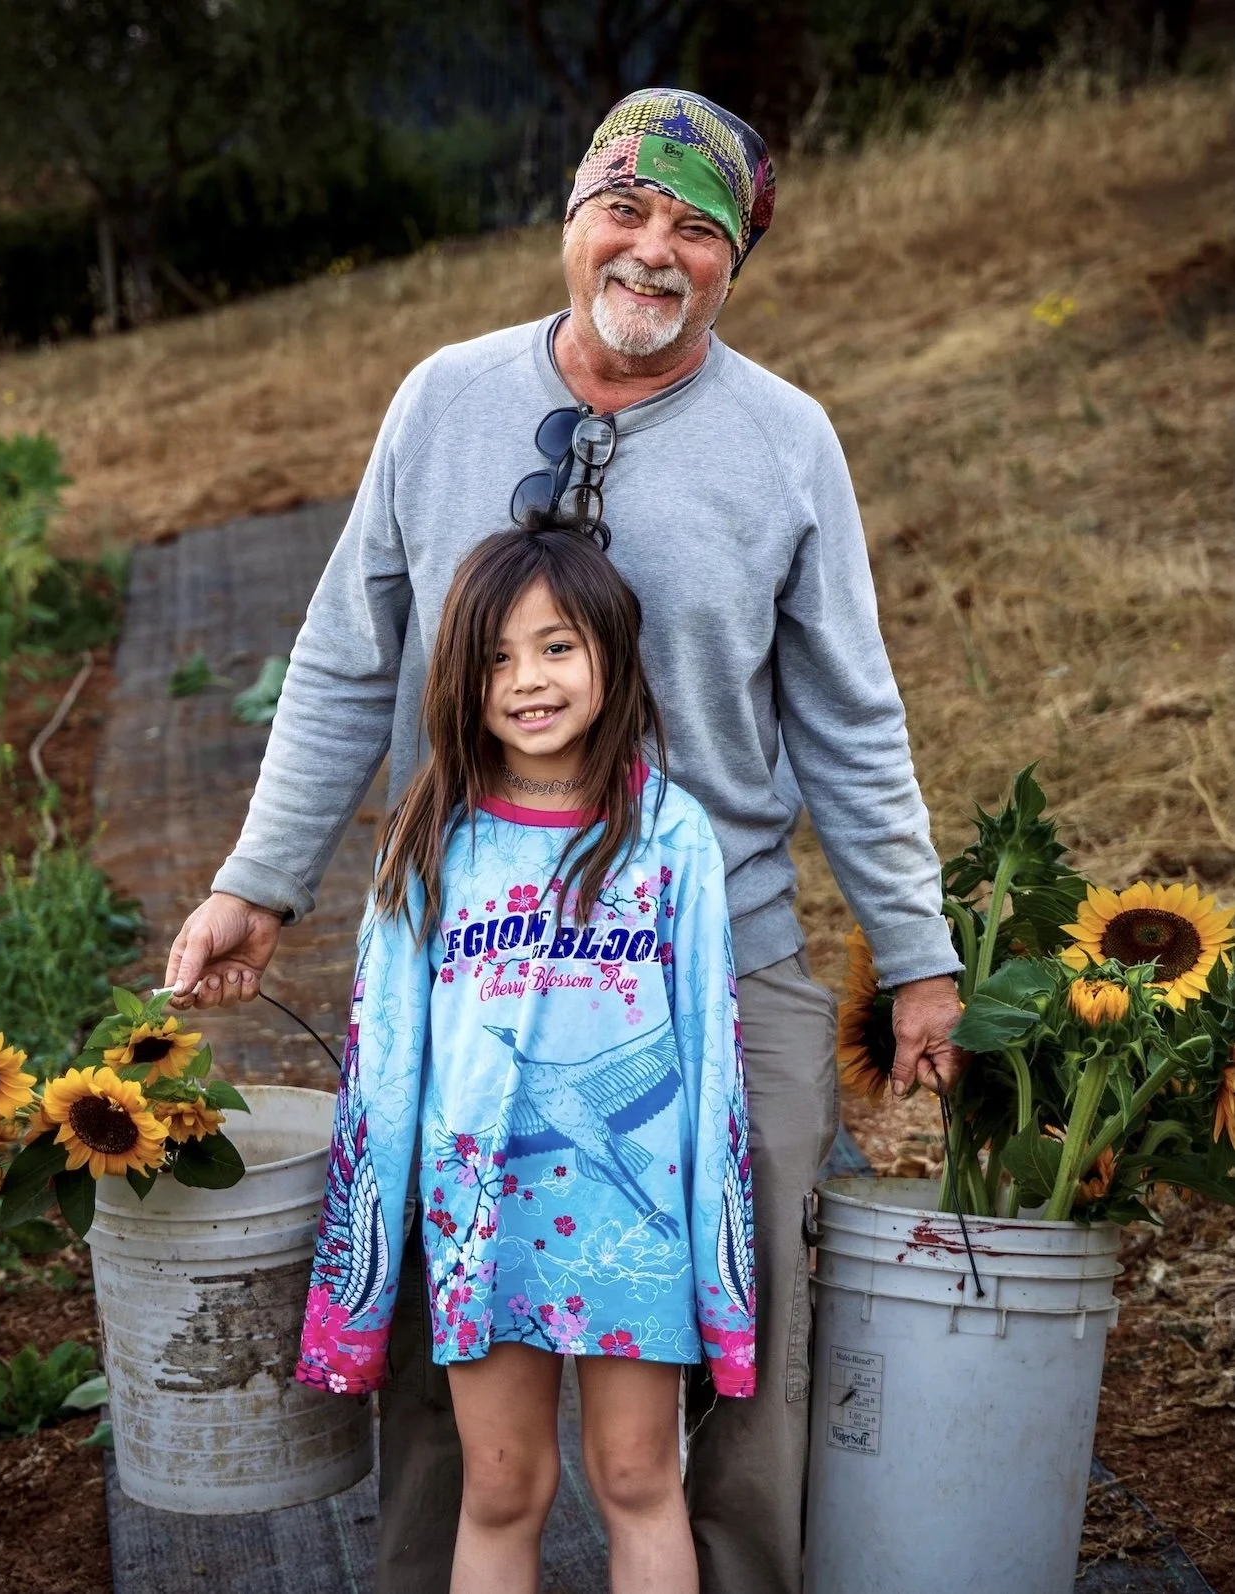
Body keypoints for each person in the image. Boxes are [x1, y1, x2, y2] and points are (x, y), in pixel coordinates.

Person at [166, 87, 964, 1594]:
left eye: (697, 229)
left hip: (720, 956)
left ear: (735, 261)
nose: (653, 252)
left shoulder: (786, 443)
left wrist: (914, 955)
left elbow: (852, 721)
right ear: (570, 218)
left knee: (741, 1334)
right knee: (444, 1319)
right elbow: (346, 657)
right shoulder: (443, 400)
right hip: (468, 956)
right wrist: (254, 882)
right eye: (628, 208)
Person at [295, 518, 754, 1594]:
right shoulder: (429, 839)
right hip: (481, 1226)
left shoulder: (670, 837)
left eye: (556, 646)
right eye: (495, 655)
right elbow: (384, 1070)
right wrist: (357, 1292)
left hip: (633, 1223)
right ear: (459, 677)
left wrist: (717, 1269)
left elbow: (712, 1065)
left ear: (611, 655)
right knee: (501, 1487)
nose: (526, 679)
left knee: (638, 1474)